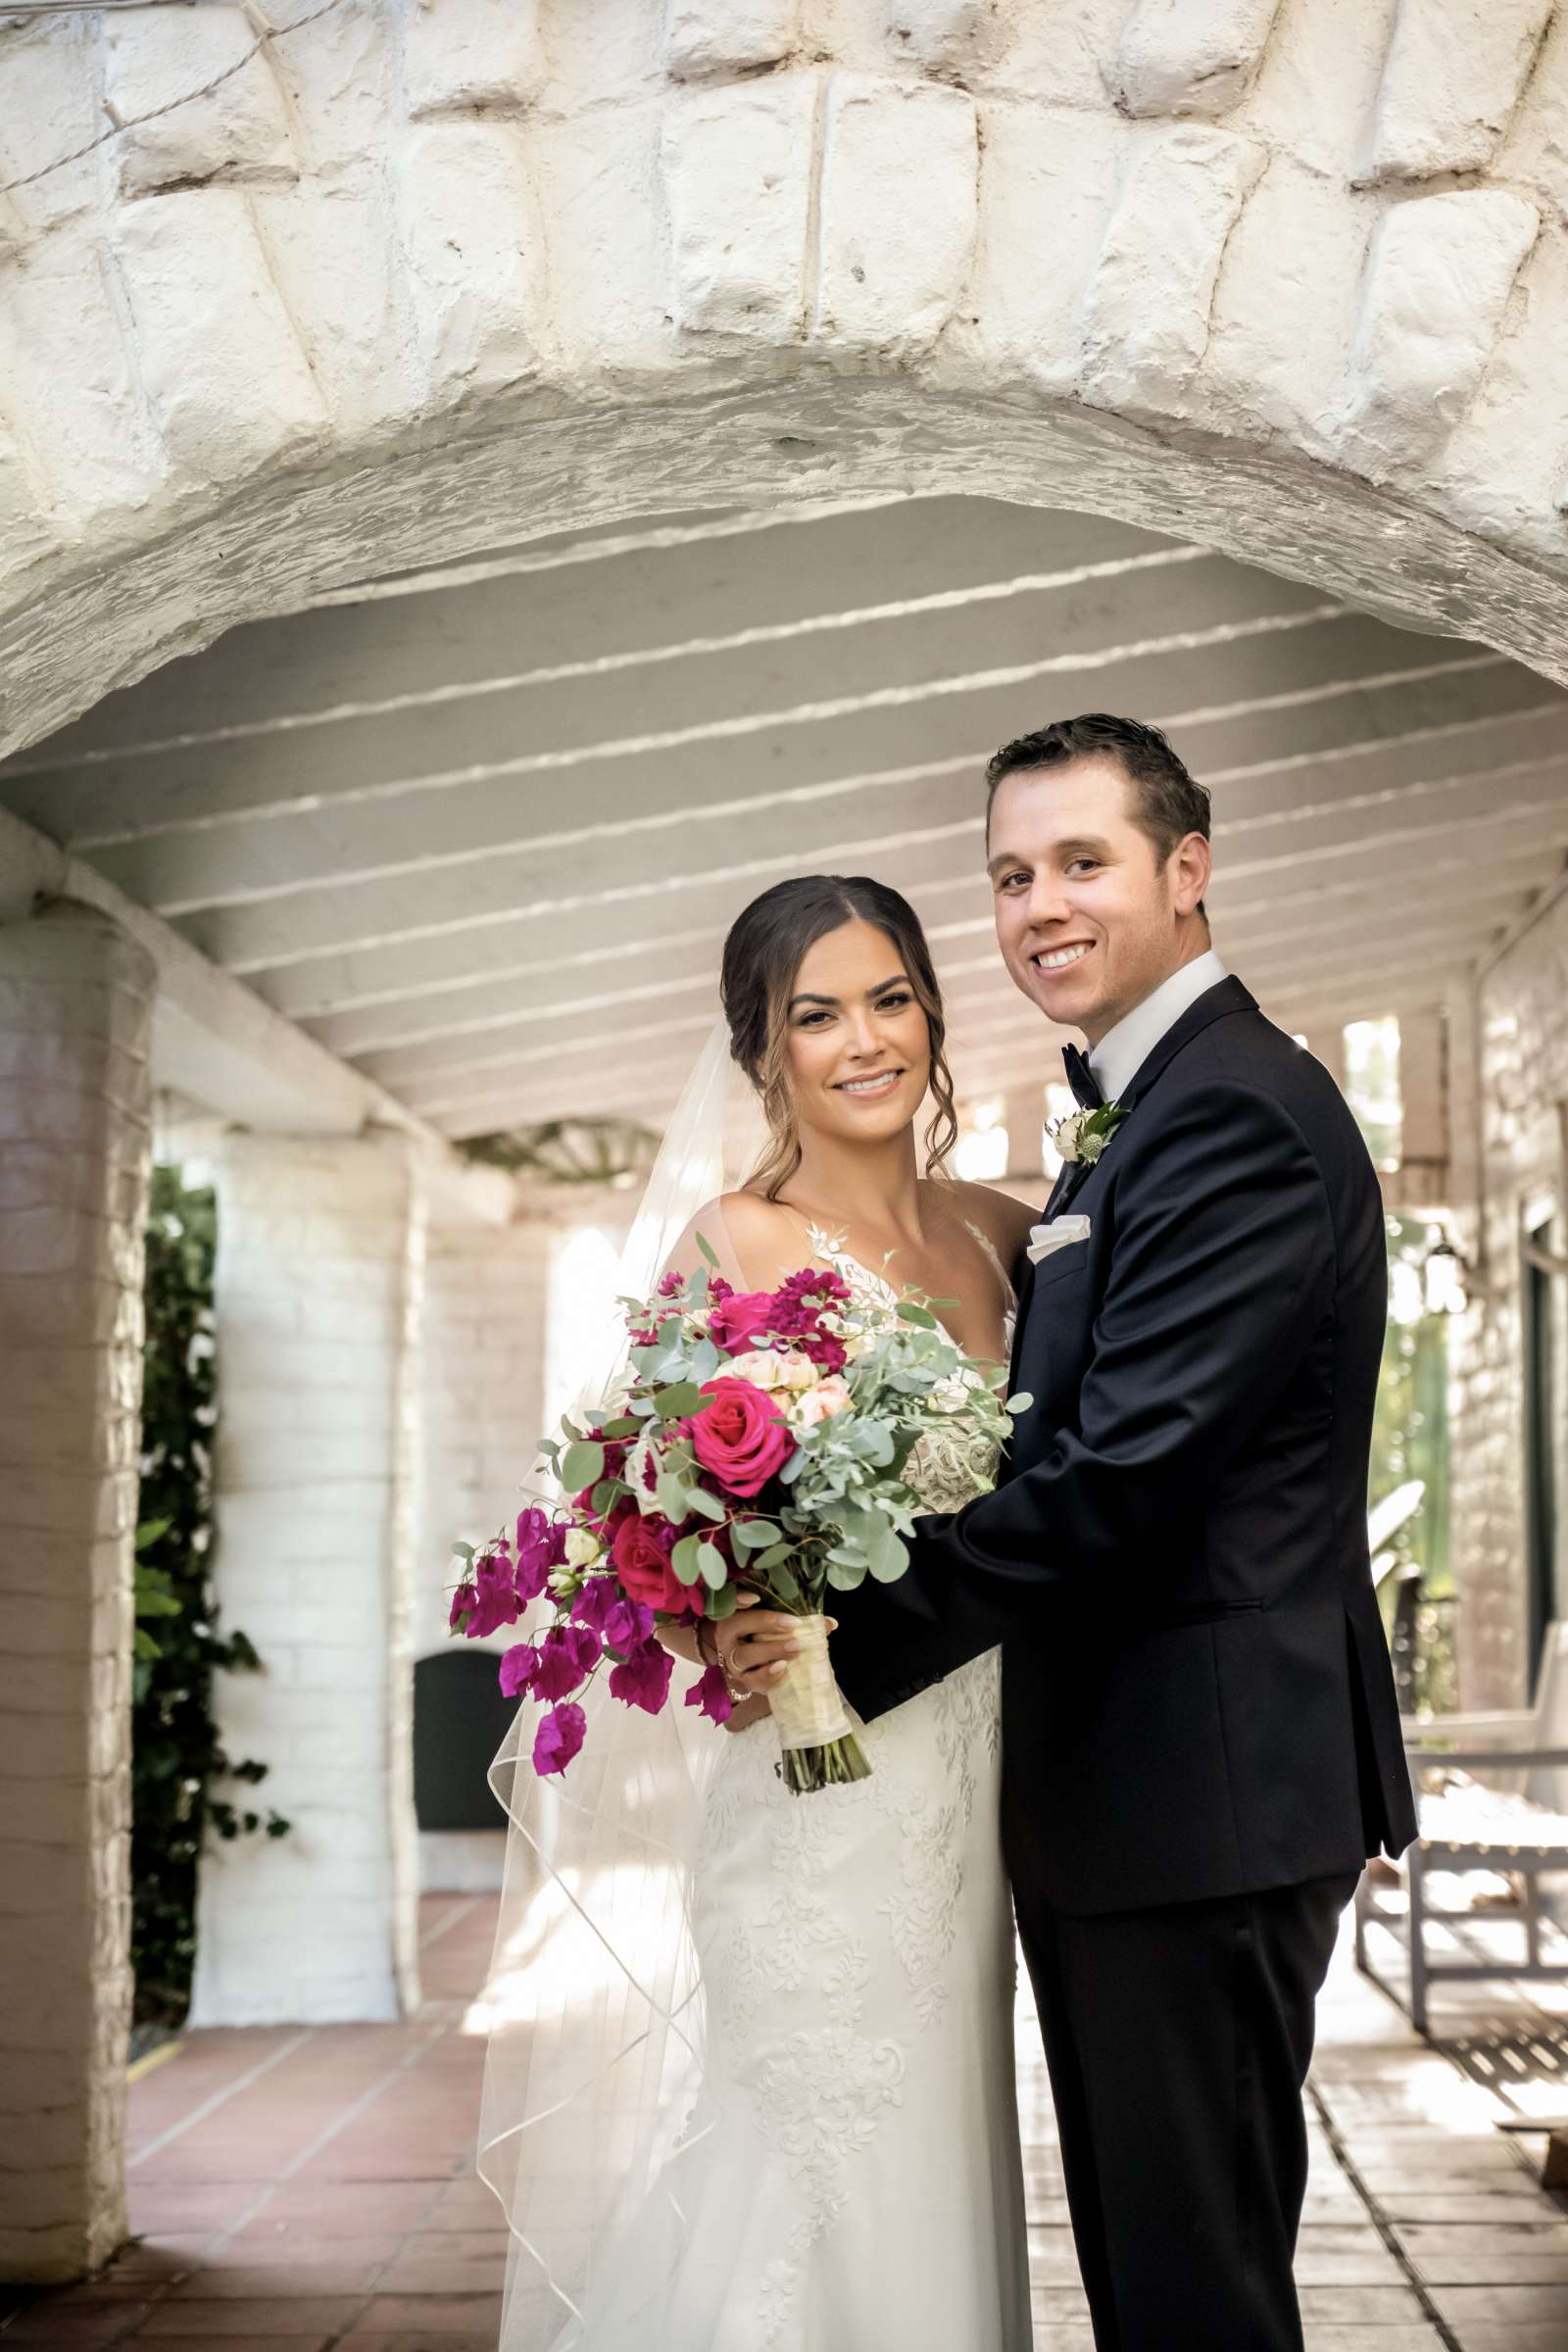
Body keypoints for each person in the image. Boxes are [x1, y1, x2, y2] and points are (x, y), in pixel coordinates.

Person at [711, 715, 1419, 2352]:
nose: (1041, 906)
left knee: (1191, 2288)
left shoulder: (1231, 1114)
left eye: (1082, 862)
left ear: (1189, 869)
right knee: (1160, 2268)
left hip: (1205, 1790)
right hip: (1146, 1793)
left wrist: (847, 1648)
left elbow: (1123, 1475)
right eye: (1012, 875)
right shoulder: (1144, 1104)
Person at [503, 872, 1039, 2351]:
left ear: (934, 1011)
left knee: (942, 2145)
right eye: (818, 1015)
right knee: (813, 2158)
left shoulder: (1013, 1233)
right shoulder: (734, 1241)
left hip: (979, 1786)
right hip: (816, 1798)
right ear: (764, 1052)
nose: (865, 1040)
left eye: (891, 997)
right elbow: (630, 1518)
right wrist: (707, 1631)